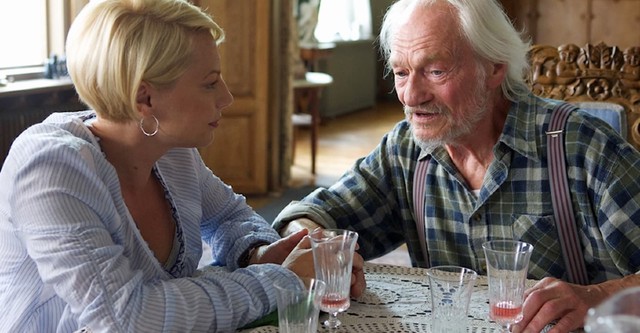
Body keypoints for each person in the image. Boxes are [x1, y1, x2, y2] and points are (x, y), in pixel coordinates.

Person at [272, 0, 640, 332]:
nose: (411, 96)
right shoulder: (405, 151)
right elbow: (311, 215)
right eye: (401, 72)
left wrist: (597, 296)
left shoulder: (581, 148)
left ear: (494, 68)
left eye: (435, 71)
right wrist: (312, 243)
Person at [0, 0, 325, 332]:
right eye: (210, 82)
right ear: (145, 99)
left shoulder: (170, 150)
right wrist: (281, 280)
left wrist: (258, 252)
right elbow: (126, 320)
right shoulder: (49, 170)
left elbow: (229, 217)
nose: (226, 97)